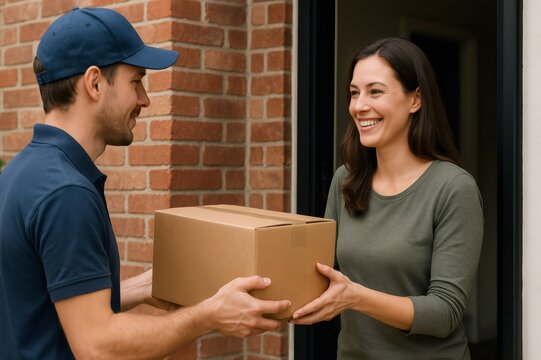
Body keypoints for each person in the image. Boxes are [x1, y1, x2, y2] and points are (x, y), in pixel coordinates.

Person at [0, 7, 290, 359]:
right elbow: (98, 344)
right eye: (136, 81)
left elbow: (47, 305)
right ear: (94, 83)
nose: (145, 99)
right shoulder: (67, 193)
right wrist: (209, 316)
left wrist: (142, 287)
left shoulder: (21, 173)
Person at [290, 38, 484, 359]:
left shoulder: (453, 188)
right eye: (354, 92)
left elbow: (445, 312)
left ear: (415, 100)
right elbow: (323, 276)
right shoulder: (346, 180)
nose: (359, 105)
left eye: (375, 91)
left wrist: (355, 297)